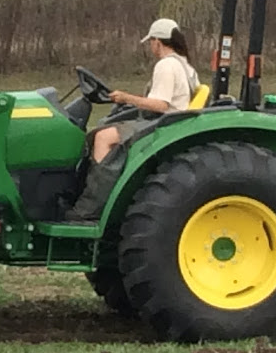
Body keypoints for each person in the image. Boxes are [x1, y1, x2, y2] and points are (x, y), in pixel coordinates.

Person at [64, 18, 200, 221]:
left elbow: (160, 104)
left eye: (151, 42)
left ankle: (93, 206)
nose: (151, 47)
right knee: (108, 126)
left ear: (157, 41)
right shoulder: (185, 66)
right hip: (172, 120)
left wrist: (126, 97)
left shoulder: (166, 65)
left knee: (102, 137)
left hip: (164, 122)